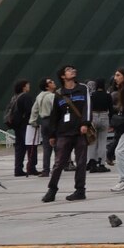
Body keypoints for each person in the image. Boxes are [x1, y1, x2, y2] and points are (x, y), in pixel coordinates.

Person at [42, 65, 91, 203]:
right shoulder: (58, 93)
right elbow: (55, 115)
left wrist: (85, 123)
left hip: (80, 132)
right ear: (63, 76)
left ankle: (80, 190)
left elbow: (88, 106)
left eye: (73, 69)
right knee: (59, 163)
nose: (73, 71)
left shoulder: (83, 88)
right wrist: (52, 135)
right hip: (63, 132)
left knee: (81, 162)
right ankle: (52, 189)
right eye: (69, 70)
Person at [28, 78, 57, 177]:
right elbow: (56, 109)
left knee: (46, 147)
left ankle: (45, 170)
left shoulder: (39, 96)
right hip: (53, 121)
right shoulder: (52, 96)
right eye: (50, 82)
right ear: (47, 87)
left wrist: (33, 121)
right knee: (57, 146)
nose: (53, 82)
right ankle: (56, 167)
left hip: (44, 122)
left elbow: (34, 110)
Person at [86, 79, 112, 173]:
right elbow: (111, 109)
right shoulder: (107, 95)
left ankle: (92, 162)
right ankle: (101, 164)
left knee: (92, 141)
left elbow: (88, 108)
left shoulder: (92, 95)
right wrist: (111, 122)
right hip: (104, 116)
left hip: (93, 116)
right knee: (102, 142)